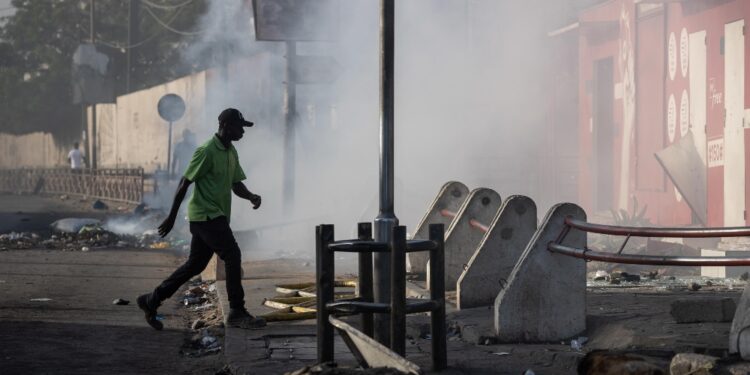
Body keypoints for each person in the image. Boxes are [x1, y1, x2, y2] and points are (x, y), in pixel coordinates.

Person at [137, 108, 265, 330]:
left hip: (216, 215)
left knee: (194, 265)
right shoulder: (206, 151)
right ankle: (236, 311)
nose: (242, 132)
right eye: (239, 127)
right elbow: (184, 183)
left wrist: (251, 196)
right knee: (232, 254)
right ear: (225, 126)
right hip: (205, 215)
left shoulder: (231, 151)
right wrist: (171, 217)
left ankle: (152, 300)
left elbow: (235, 183)